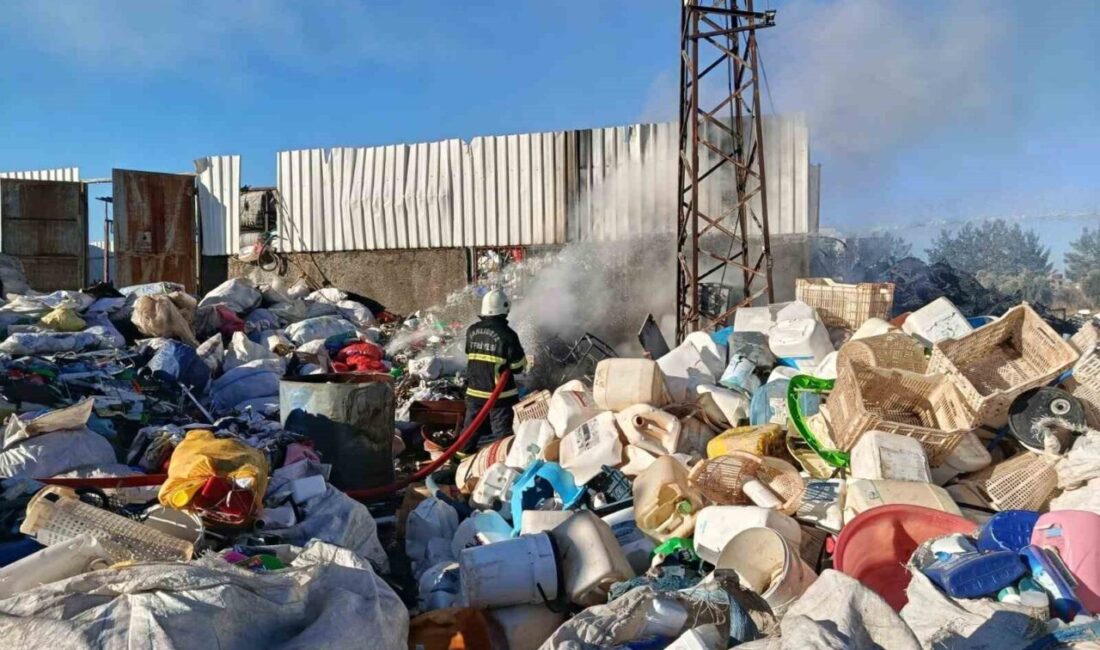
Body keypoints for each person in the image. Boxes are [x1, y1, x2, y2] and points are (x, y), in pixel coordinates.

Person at [462, 288, 527, 452]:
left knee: (469, 434)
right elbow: (518, 367)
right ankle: (499, 466)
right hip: (499, 396)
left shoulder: (472, 331)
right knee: (502, 437)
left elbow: (469, 353)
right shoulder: (508, 335)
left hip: (474, 393)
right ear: (505, 308)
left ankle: (456, 466)